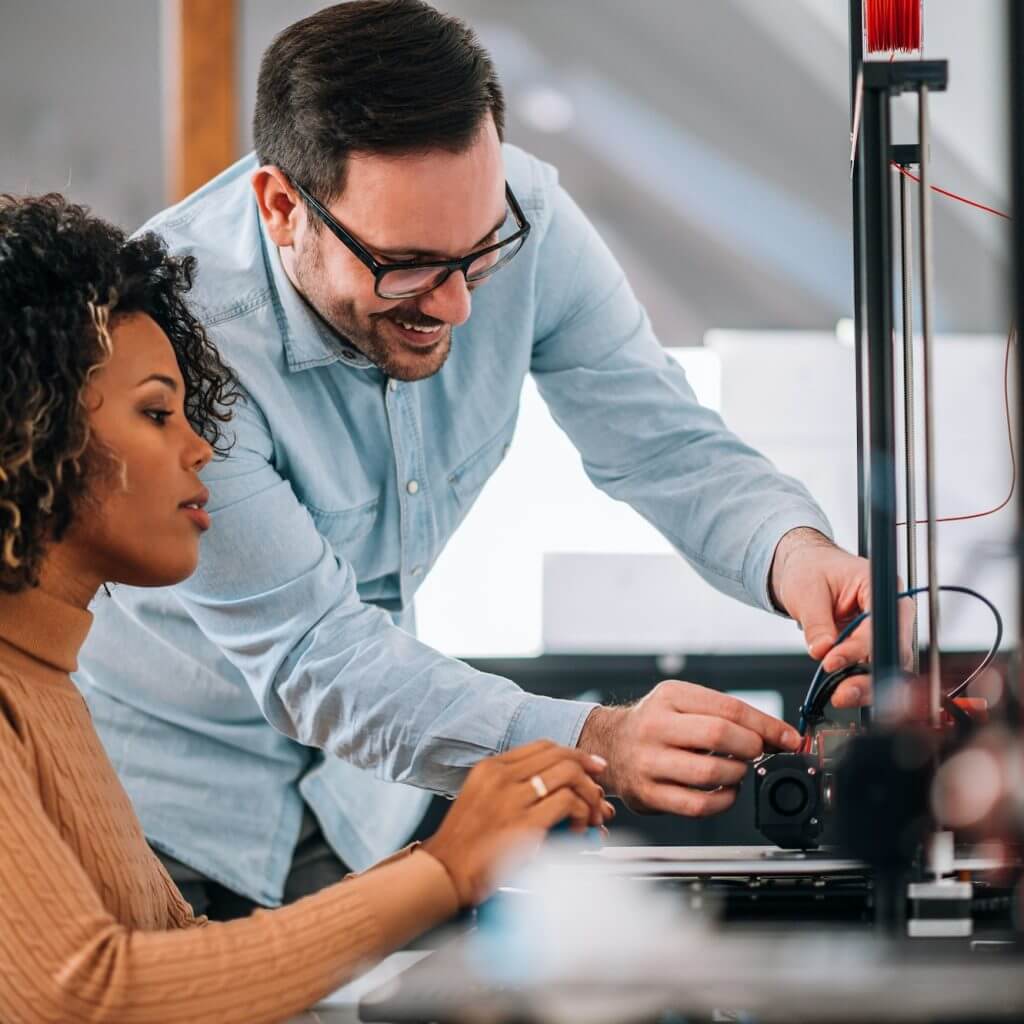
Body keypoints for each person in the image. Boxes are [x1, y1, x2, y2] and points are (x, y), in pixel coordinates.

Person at [77, 0, 897, 917]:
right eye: (409, 265)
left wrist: (796, 553)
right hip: (169, 809)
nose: (459, 306)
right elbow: (317, 655)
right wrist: (597, 738)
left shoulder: (525, 216)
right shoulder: (179, 339)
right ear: (280, 207)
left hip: (355, 801)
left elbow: (661, 439)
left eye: (478, 254)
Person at [0, 193, 611, 1023]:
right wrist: (444, 867)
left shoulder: (47, 686)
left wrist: (446, 862)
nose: (201, 447)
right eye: (155, 413)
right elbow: (91, 996)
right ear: (27, 434)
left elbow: (178, 951)